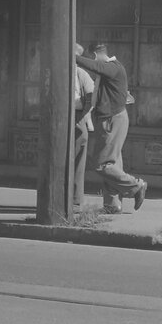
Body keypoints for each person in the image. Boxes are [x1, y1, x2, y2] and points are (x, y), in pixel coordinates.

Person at [75, 41, 147, 212]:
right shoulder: (109, 71)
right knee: (112, 163)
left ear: (95, 55)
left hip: (112, 120)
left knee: (102, 164)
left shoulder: (113, 67)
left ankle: (136, 186)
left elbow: (96, 66)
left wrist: (75, 58)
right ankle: (112, 204)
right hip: (111, 119)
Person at [71, 46, 96, 210]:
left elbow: (91, 97)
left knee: (77, 160)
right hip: (69, 118)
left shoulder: (81, 73)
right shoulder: (65, 72)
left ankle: (75, 198)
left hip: (77, 118)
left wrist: (84, 115)